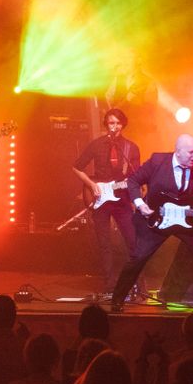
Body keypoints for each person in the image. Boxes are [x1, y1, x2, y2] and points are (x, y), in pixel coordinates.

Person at [111, 133, 193, 314]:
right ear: (178, 152)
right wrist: (140, 204)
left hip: (185, 220)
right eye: (191, 152)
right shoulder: (157, 161)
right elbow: (133, 180)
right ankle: (117, 301)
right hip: (156, 220)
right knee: (137, 258)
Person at [72, 108, 144, 296]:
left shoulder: (130, 148)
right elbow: (76, 167)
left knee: (132, 241)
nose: (115, 126)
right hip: (100, 199)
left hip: (122, 199)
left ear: (123, 124)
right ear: (106, 124)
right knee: (104, 243)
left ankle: (139, 284)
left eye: (118, 123)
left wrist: (138, 190)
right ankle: (110, 286)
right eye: (111, 123)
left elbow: (136, 176)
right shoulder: (96, 145)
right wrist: (91, 185)